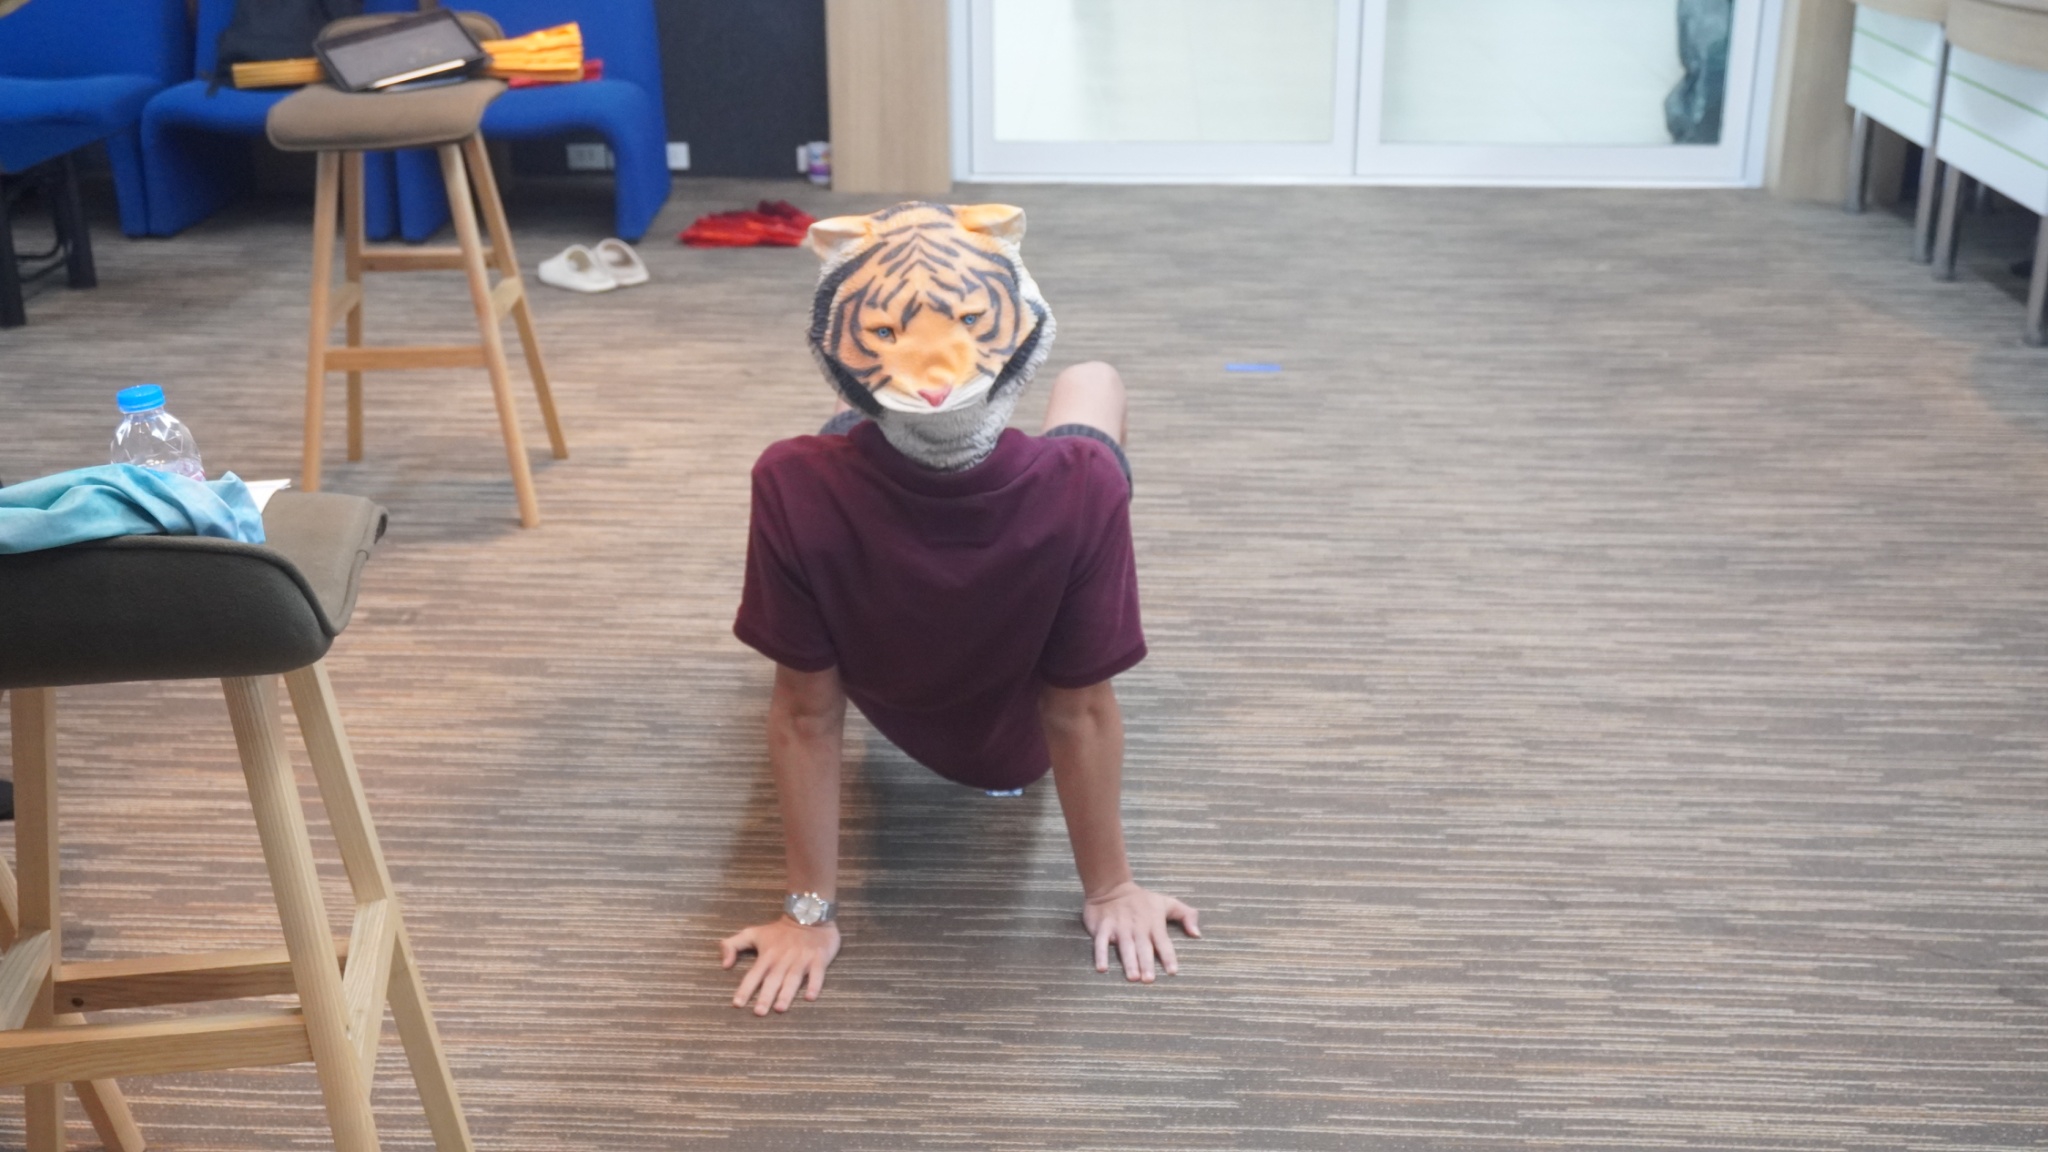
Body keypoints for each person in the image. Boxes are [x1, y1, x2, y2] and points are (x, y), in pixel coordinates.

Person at [721, 202, 1200, 1016]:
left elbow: (807, 713)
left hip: (917, 592)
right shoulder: (1083, 487)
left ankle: (885, 414)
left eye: (970, 322)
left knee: (857, 439)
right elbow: (1077, 710)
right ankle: (980, 389)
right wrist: (1111, 888)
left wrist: (810, 913)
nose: (936, 377)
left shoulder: (791, 481)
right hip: (1009, 736)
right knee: (1093, 386)